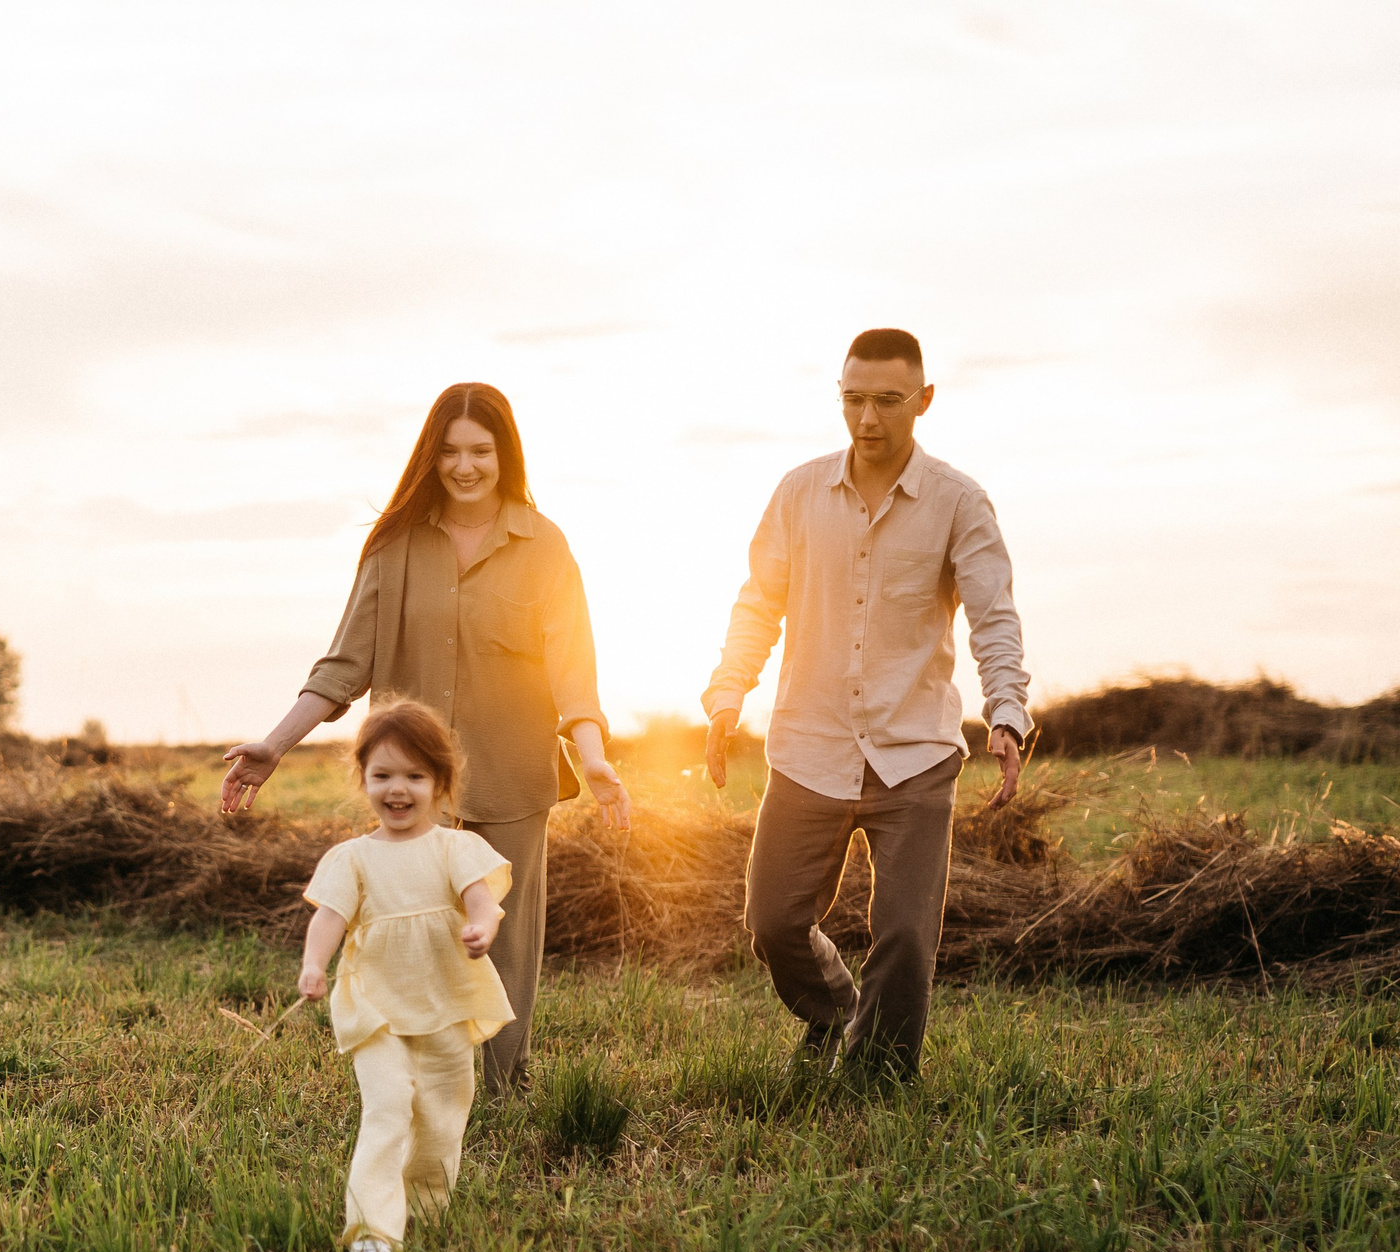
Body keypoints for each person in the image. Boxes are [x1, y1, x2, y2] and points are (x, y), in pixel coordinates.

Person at [222, 382, 630, 1096]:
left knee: (502, 939)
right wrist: (275, 744)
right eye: (450, 452)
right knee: (409, 930)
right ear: (430, 456)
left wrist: (592, 756)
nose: (465, 467)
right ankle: (416, 1080)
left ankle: (502, 1088)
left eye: (481, 451)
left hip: (512, 773)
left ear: (505, 455)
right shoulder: (394, 544)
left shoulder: (544, 545)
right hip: (412, 782)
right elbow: (345, 663)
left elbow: (573, 671)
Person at [701, 327, 1032, 1079]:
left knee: (907, 936)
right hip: (809, 745)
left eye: (888, 400)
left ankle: (876, 1080)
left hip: (915, 752)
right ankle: (835, 1012)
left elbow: (994, 617)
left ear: (924, 399)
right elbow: (758, 605)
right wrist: (727, 694)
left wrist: (1006, 713)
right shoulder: (798, 493)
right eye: (854, 399)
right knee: (773, 920)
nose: (868, 418)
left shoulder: (959, 502)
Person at [298, 700, 513, 1252]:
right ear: (363, 778)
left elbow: (481, 899)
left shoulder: (455, 848)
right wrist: (315, 963)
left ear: (440, 783)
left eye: (415, 776)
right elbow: (329, 917)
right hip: (377, 1009)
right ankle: (372, 1231)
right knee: (388, 1107)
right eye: (383, 775)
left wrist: (483, 927)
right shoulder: (352, 858)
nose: (398, 789)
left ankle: (424, 1206)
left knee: (442, 1117)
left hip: (445, 1000)